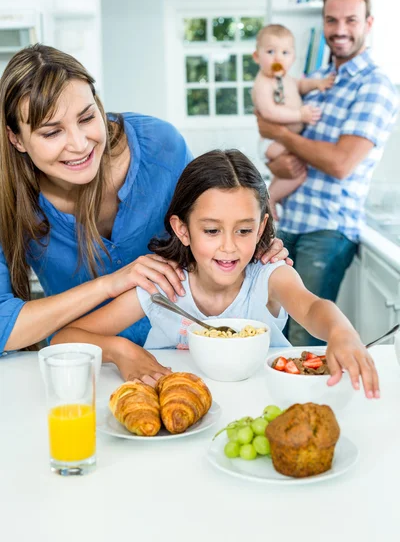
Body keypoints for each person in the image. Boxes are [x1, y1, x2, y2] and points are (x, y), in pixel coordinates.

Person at [0, 43, 289, 383]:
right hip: (86, 366)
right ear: (16, 139)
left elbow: (213, 220)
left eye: (87, 117)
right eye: (51, 132)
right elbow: (5, 327)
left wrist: (255, 242)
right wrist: (111, 288)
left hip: (184, 359)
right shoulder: (9, 197)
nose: (79, 144)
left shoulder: (159, 144)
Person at [53, 149, 379, 398]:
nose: (229, 248)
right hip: (181, 409)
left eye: (243, 230)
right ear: (182, 230)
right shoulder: (164, 286)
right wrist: (121, 351)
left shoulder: (268, 276)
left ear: (262, 227)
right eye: (211, 230)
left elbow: (311, 308)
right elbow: (65, 338)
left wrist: (341, 332)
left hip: (260, 405)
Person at [255, 0, 399, 347]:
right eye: (331, 20)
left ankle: (311, 405)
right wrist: (280, 150)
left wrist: (283, 137)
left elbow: (339, 163)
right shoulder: (318, 79)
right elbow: (265, 124)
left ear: (368, 23)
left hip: (328, 228)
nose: (339, 29)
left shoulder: (375, 86)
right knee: (275, 329)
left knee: (307, 333)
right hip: (290, 220)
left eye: (350, 20)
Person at [252, 24, 335, 220]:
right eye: (270, 51)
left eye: (285, 52)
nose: (278, 58)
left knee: (291, 172)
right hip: (272, 143)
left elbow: (300, 85)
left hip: (283, 141)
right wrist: (300, 115)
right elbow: (268, 111)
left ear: (293, 58)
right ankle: (269, 199)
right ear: (257, 56)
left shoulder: (286, 78)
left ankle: (274, 195)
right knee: (299, 172)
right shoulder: (263, 83)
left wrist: (317, 83)